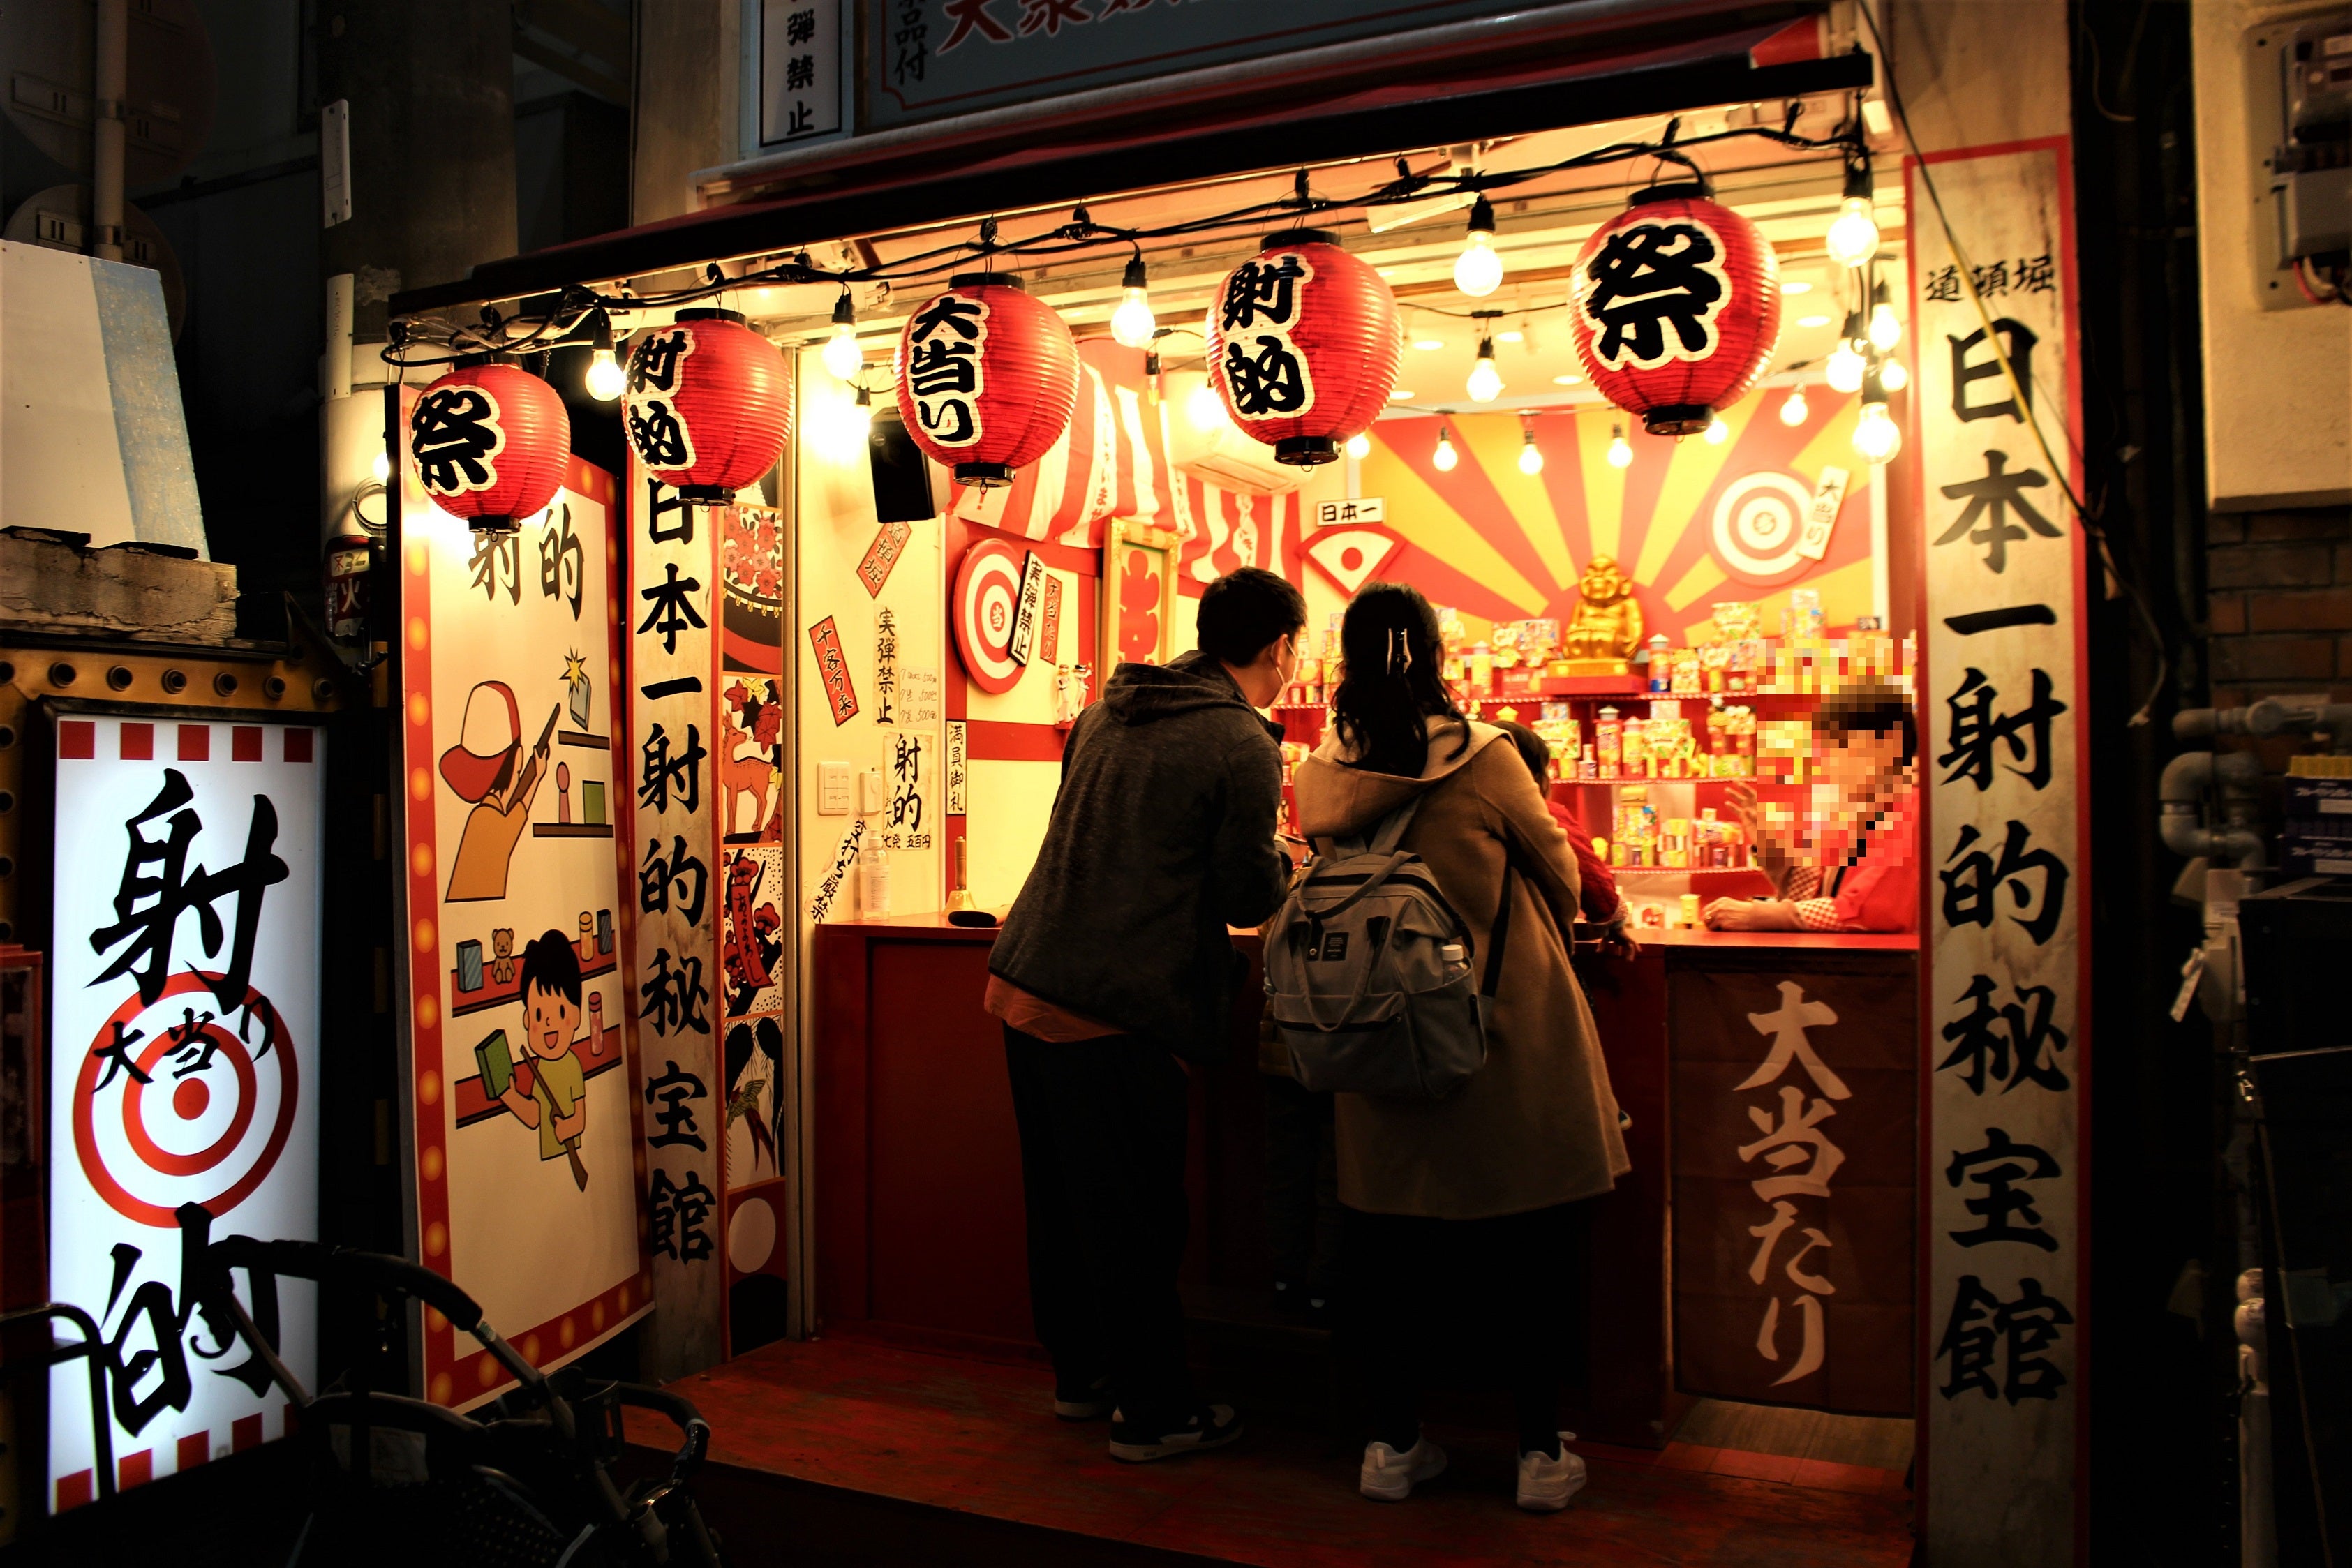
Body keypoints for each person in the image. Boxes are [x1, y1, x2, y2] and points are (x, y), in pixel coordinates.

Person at [1290, 582, 1630, 1514]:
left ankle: (1391, 1446)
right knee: (1527, 1251)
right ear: (1435, 652)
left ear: (1349, 659)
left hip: (1370, 1046)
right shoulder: (1483, 757)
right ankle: (1535, 1455)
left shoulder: (1324, 771)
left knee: (1387, 1256)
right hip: (1494, 1041)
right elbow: (1560, 879)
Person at [987, 565, 1305, 1463]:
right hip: (1114, 1004)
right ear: (1280, 648)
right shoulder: (1241, 742)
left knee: (1061, 1204)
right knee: (1135, 1217)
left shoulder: (1108, 709)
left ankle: (1081, 1380)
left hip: (1024, 984)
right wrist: (1290, 862)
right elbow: (1248, 896)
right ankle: (1155, 1413)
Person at [1702, 681, 1918, 933]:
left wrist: (1760, 915)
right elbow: (1807, 897)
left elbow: (1872, 910)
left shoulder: (1911, 808)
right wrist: (1771, 847)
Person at [1494, 720, 1638, 956]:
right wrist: (1612, 918)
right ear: (1536, 775)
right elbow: (1588, 871)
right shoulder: (1542, 813)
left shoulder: (1459, 808)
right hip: (1533, 940)